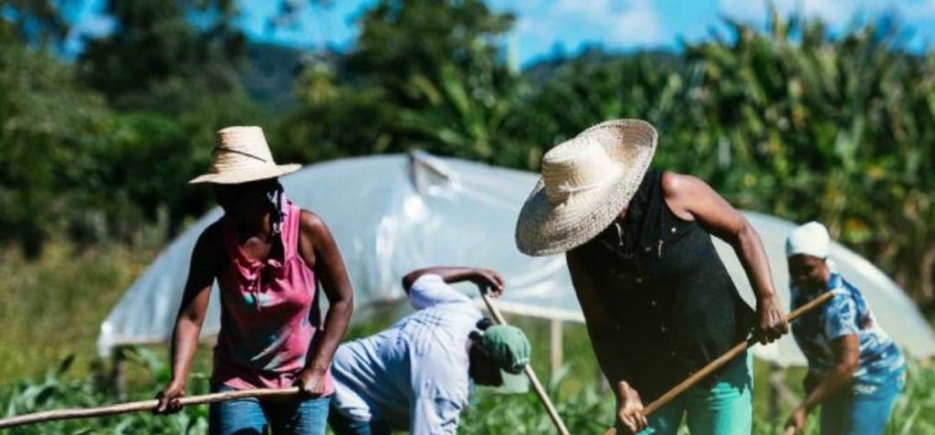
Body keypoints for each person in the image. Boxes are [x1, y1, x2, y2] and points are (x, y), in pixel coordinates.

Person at [514, 119, 789, 435]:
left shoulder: (674, 192)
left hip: (718, 357)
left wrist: (766, 296)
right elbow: (601, 326)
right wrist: (624, 391)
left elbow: (742, 231)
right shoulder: (581, 249)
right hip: (649, 376)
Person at [154, 126, 355, 435]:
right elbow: (192, 318)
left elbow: (342, 300)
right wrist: (177, 379)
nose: (224, 198)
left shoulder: (307, 231)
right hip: (238, 379)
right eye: (219, 188)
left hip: (302, 378)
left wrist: (317, 368)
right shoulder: (214, 242)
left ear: (264, 185)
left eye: (234, 188)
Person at [327, 266, 531, 435]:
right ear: (484, 356)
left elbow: (415, 280)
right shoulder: (444, 380)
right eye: (498, 376)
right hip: (352, 389)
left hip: (350, 366)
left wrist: (471, 274)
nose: (497, 383)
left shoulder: (464, 311)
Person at [783, 222, 906, 435]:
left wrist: (803, 408)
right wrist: (815, 373)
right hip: (837, 376)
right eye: (793, 270)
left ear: (823, 261)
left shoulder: (839, 304)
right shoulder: (800, 287)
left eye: (808, 269)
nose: (800, 276)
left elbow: (848, 364)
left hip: (873, 374)